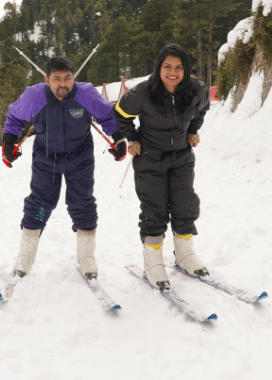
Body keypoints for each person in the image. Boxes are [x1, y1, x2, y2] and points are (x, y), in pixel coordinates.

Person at [1, 57, 127, 280]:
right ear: (46, 80)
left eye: (67, 78)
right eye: (57, 79)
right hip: (46, 156)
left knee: (82, 201)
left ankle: (86, 257)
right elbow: (15, 118)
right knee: (39, 201)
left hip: (80, 155)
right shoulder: (35, 95)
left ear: (73, 78)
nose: (63, 84)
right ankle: (25, 256)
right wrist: (9, 142)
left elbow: (107, 115)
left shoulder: (85, 94)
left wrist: (117, 139)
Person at [114, 44, 211, 290]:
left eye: (179, 67)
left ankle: (185, 255)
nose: (173, 72)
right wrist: (133, 139)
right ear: (159, 67)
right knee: (154, 209)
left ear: (186, 69)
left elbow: (201, 111)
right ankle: (153, 262)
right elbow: (121, 114)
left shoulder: (197, 90)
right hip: (150, 157)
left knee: (185, 205)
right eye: (167, 66)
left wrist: (192, 130)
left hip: (182, 157)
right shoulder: (144, 92)